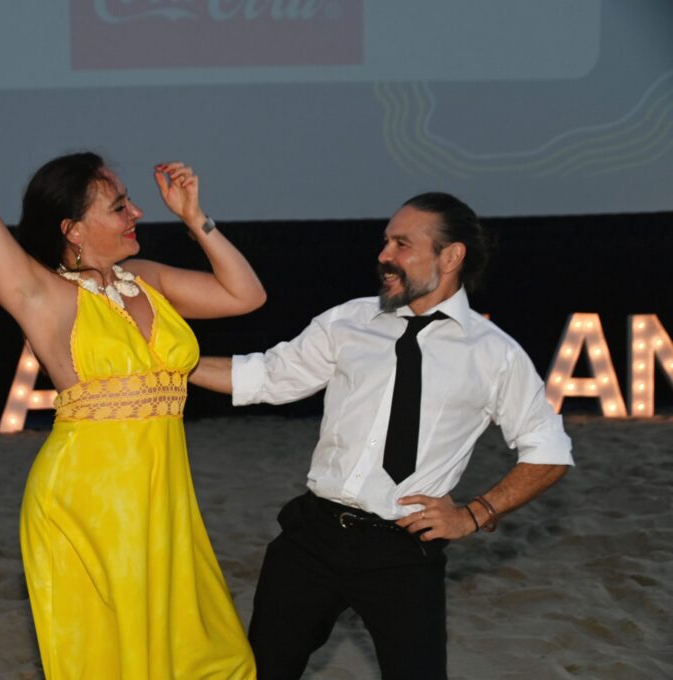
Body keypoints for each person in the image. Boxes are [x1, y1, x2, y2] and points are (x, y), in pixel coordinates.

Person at [0, 63, 263, 678]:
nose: (136, 212)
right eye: (119, 206)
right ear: (72, 229)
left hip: (163, 501)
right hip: (87, 500)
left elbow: (245, 296)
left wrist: (195, 218)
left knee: (210, 656)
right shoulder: (41, 295)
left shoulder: (147, 280)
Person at [191, 192, 573, 679]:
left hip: (402, 552)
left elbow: (549, 451)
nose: (384, 255)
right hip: (312, 537)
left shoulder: (495, 354)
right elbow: (266, 377)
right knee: (264, 669)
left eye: (401, 244)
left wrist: (473, 515)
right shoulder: (348, 320)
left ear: (451, 256)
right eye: (385, 241)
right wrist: (175, 362)